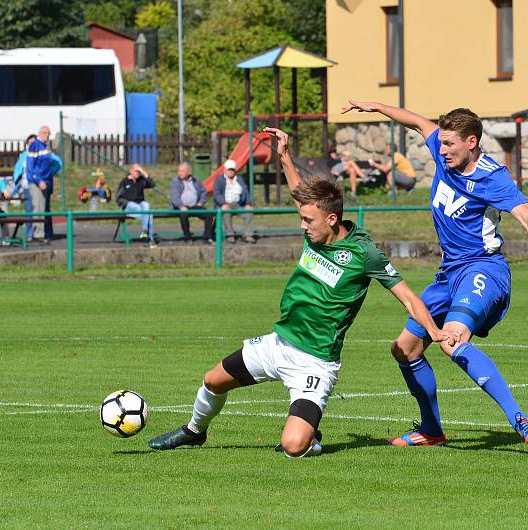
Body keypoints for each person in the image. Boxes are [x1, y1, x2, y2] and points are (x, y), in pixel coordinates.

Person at [147, 127, 457, 457]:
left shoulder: (364, 254)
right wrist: (283, 156)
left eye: (309, 220)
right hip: (278, 343)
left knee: (293, 447)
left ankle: (311, 435)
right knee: (212, 380)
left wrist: (434, 331)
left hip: (315, 362)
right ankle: (194, 431)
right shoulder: (315, 231)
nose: (302, 226)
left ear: (332, 218)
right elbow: (301, 195)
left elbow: (408, 296)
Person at [342, 99, 528, 447]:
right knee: (405, 348)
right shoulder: (443, 152)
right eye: (440, 142)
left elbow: (527, 215)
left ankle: (520, 417)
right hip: (447, 275)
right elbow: (415, 121)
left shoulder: (492, 177)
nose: (441, 150)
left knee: (452, 340)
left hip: (483, 268)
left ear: (471, 142)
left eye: (449, 144)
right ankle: (431, 430)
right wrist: (377, 107)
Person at [26, 125, 62, 244]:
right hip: (37, 183)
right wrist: (38, 180)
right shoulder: (35, 145)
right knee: (38, 208)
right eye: (47, 133)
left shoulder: (44, 147)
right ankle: (37, 234)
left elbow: (49, 164)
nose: (48, 136)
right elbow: (31, 166)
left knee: (42, 208)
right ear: (41, 133)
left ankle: (40, 233)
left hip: (44, 182)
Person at [170, 162, 213, 244]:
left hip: (195, 206)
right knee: (183, 214)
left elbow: (204, 192)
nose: (179, 173)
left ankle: (207, 237)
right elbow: (174, 197)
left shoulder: (196, 180)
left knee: (209, 214)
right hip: (180, 207)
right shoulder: (175, 181)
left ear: (189, 172)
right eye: (179, 171)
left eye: (182, 171)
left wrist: (201, 203)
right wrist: (181, 206)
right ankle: (187, 237)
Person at [213, 159, 254, 243]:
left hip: (237, 204)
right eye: (229, 169)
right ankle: (230, 235)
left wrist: (248, 203)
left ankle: (247, 234)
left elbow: (245, 191)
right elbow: (217, 194)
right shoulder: (219, 179)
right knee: (226, 212)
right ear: (225, 169)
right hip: (225, 203)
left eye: (232, 169)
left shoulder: (239, 179)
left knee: (249, 212)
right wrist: (223, 203)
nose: (231, 171)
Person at [116, 163, 157, 247]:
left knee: (146, 205)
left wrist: (144, 172)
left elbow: (152, 184)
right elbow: (118, 198)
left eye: (139, 171)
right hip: (129, 208)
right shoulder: (124, 182)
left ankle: (145, 232)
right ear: (131, 171)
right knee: (148, 214)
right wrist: (126, 203)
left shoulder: (141, 180)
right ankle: (150, 240)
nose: (138, 173)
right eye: (136, 171)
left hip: (141, 207)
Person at [12, 134, 37, 241]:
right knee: (29, 210)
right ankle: (29, 233)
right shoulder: (24, 155)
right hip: (27, 185)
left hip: (37, 186)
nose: (31, 144)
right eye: (30, 142)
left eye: (34, 142)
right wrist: (17, 181)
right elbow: (18, 168)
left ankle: (40, 232)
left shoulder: (39, 153)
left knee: (39, 209)